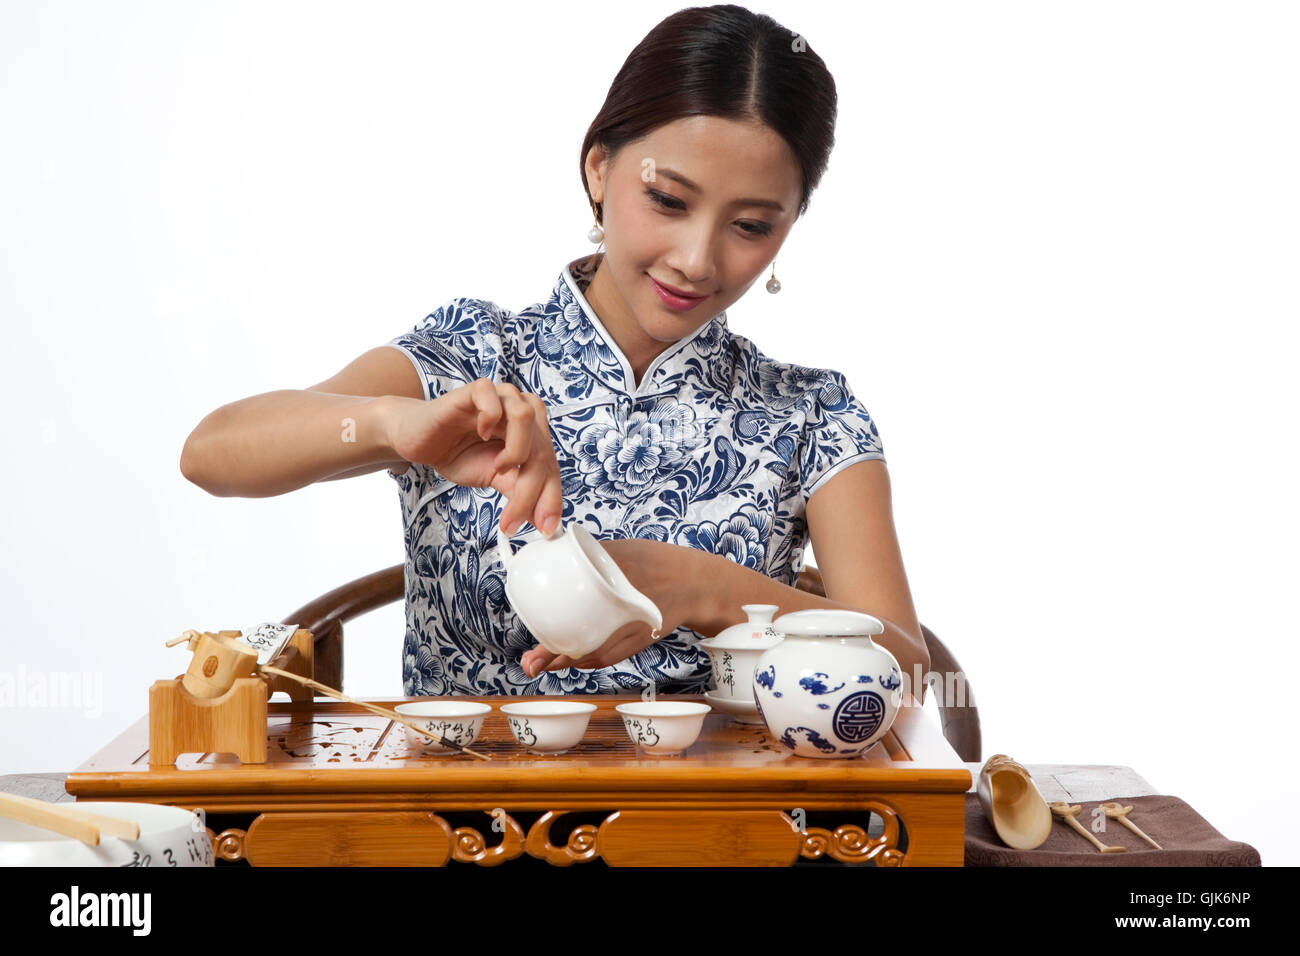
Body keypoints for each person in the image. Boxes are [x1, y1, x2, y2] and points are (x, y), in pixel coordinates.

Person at [179, 4, 930, 700]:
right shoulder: (475, 354)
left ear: (792, 223)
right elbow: (211, 452)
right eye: (668, 200)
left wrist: (704, 588)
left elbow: (906, 668)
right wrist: (391, 426)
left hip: (718, 828)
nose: (698, 260)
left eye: (752, 226)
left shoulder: (811, 413)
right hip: (458, 825)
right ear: (599, 168)